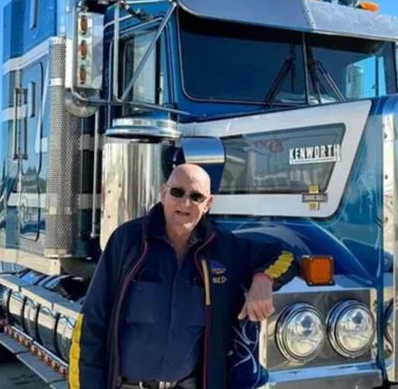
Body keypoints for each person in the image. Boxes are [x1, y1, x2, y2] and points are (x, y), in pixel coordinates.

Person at [69, 164, 297, 389]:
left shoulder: (224, 248)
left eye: (196, 196)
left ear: (208, 204)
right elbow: (93, 320)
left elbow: (285, 256)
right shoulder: (127, 241)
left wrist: (264, 279)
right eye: (177, 192)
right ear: (163, 192)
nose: (185, 203)